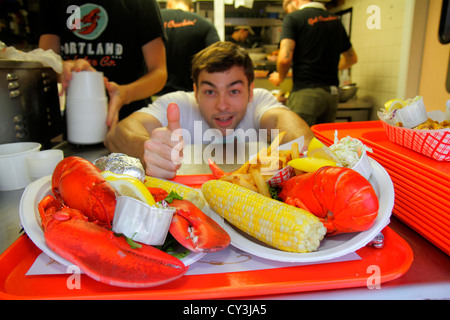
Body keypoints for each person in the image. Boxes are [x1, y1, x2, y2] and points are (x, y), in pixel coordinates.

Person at [105, 41, 314, 179]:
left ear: (250, 91)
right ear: (195, 91)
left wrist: (303, 154)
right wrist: (149, 151)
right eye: (210, 92)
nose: (222, 105)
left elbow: (285, 123)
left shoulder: (259, 102)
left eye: (234, 91)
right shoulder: (178, 104)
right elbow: (117, 134)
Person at [38, 0, 167, 126]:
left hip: (131, 121)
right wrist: (66, 71)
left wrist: (124, 94)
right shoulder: (53, 3)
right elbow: (44, 65)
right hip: (78, 120)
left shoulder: (142, 3)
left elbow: (159, 72)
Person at [269, 0, 358, 126]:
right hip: (331, 95)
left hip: (306, 94)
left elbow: (284, 59)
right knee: (321, 143)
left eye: (287, 9)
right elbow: (352, 58)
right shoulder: (336, 21)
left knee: (298, 142)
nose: (287, 12)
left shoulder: (294, 18)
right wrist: (330, 67)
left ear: (295, 2)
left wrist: (280, 77)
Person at [158, 0, 220, 95]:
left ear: (169, 4)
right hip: (190, 96)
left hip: (151, 95)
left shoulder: (152, 21)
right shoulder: (205, 25)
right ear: (191, 10)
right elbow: (219, 60)